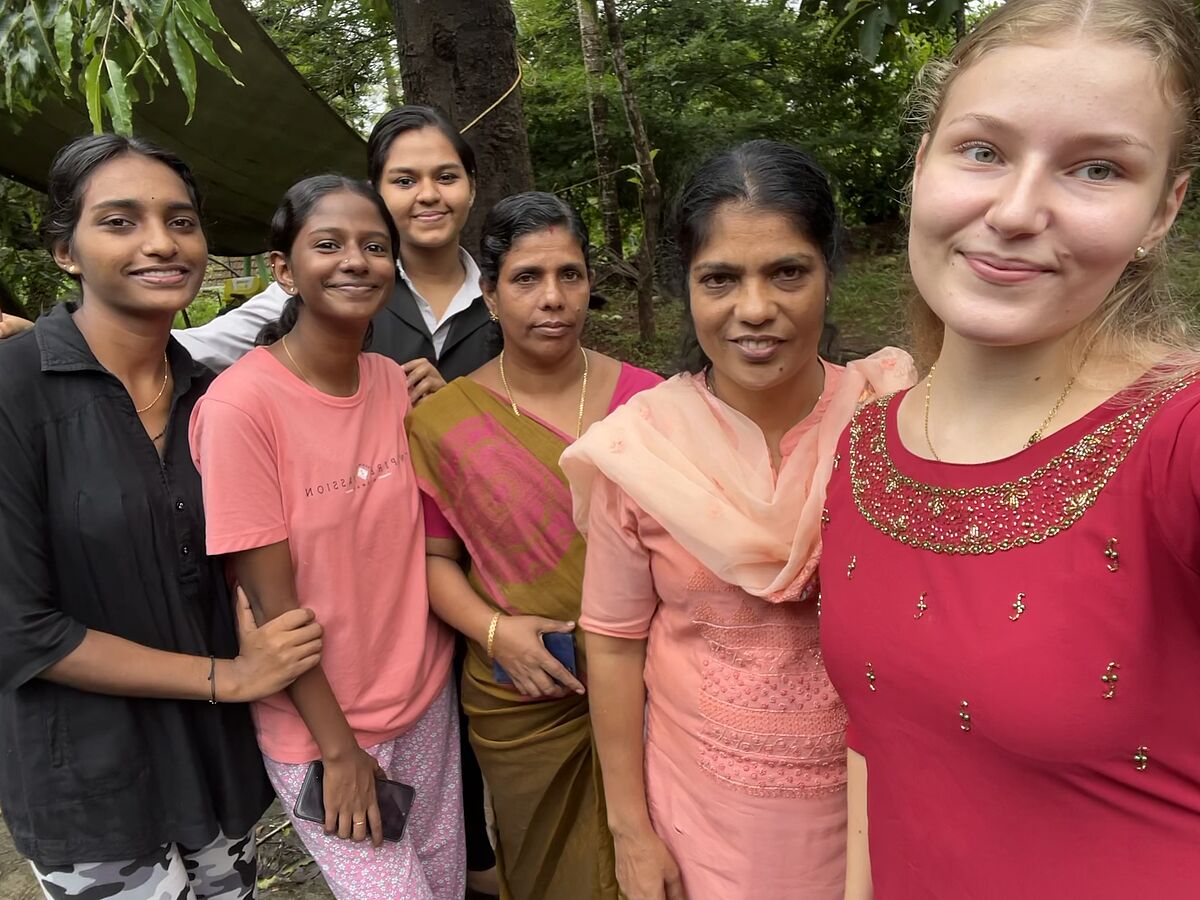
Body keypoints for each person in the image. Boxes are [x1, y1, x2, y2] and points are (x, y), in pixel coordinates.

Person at [817, 1, 1200, 896]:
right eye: (983, 151)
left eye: (1097, 168)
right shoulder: (869, 444)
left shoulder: (1177, 435)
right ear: (922, 165)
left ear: (1161, 211)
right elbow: (874, 749)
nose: (1018, 211)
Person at [560, 141, 915, 900]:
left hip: (875, 806)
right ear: (686, 287)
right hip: (701, 817)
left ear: (829, 270)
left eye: (787, 271)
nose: (755, 309)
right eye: (720, 278)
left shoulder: (894, 424)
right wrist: (631, 831)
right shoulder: (644, 450)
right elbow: (614, 648)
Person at [178, 104, 501, 892]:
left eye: (372, 247)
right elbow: (272, 609)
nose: (355, 261)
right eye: (327, 245)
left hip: (424, 700)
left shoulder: (395, 386)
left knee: (447, 886)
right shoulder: (239, 408)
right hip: (325, 727)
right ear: (283, 269)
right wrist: (340, 752)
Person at [0, 133, 323, 899]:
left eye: (181, 221)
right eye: (118, 222)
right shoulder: (14, 390)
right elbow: (18, 630)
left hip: (215, 766)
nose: (160, 243)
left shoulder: (219, 395)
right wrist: (230, 677)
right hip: (90, 781)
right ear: (65, 252)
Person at [406, 191, 661, 900]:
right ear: (488, 295)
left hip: (657, 689)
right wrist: (496, 632)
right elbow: (433, 561)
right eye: (526, 279)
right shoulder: (446, 421)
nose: (552, 298)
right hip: (525, 698)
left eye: (569, 275)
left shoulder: (653, 404)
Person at [174, 105, 486, 397]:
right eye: (405, 181)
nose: (429, 195)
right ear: (375, 193)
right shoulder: (333, 284)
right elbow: (200, 347)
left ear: (471, 187)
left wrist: (455, 408)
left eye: (446, 177)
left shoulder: (505, 296)